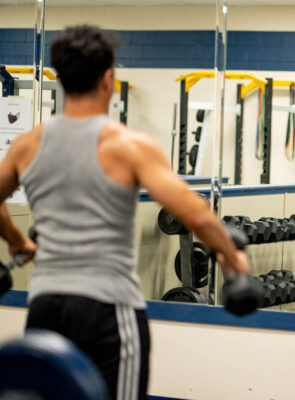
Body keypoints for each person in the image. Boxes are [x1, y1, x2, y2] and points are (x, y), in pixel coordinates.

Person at [0, 25, 250, 400]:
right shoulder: (128, 145)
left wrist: (16, 241)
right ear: (108, 78)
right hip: (108, 310)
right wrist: (234, 261)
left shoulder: (25, 146)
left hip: (45, 305)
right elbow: (196, 215)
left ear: (61, 77)